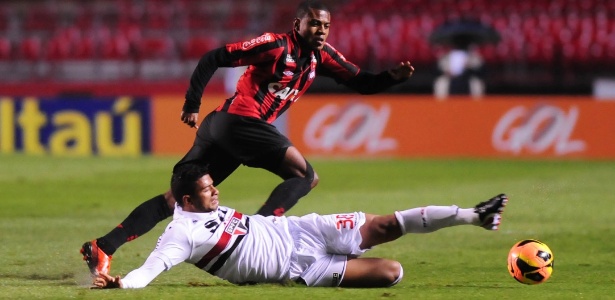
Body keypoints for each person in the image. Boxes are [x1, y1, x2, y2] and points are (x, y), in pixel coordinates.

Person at [80, 0, 416, 277]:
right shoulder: (275, 45)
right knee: (305, 176)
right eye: (314, 24)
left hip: (227, 132)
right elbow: (214, 57)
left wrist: (392, 77)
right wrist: (192, 103)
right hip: (238, 122)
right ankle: (266, 225)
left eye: (326, 26)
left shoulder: (322, 56)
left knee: (178, 199)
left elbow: (363, 82)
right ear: (298, 24)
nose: (321, 31)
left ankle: (104, 246)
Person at [91, 163, 508, 289]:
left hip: (303, 232)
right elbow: (150, 271)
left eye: (213, 184)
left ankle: (475, 214)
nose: (215, 191)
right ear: (186, 201)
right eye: (206, 189)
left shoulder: (203, 205)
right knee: (392, 273)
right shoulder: (180, 234)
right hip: (300, 270)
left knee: (384, 225)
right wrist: (120, 283)